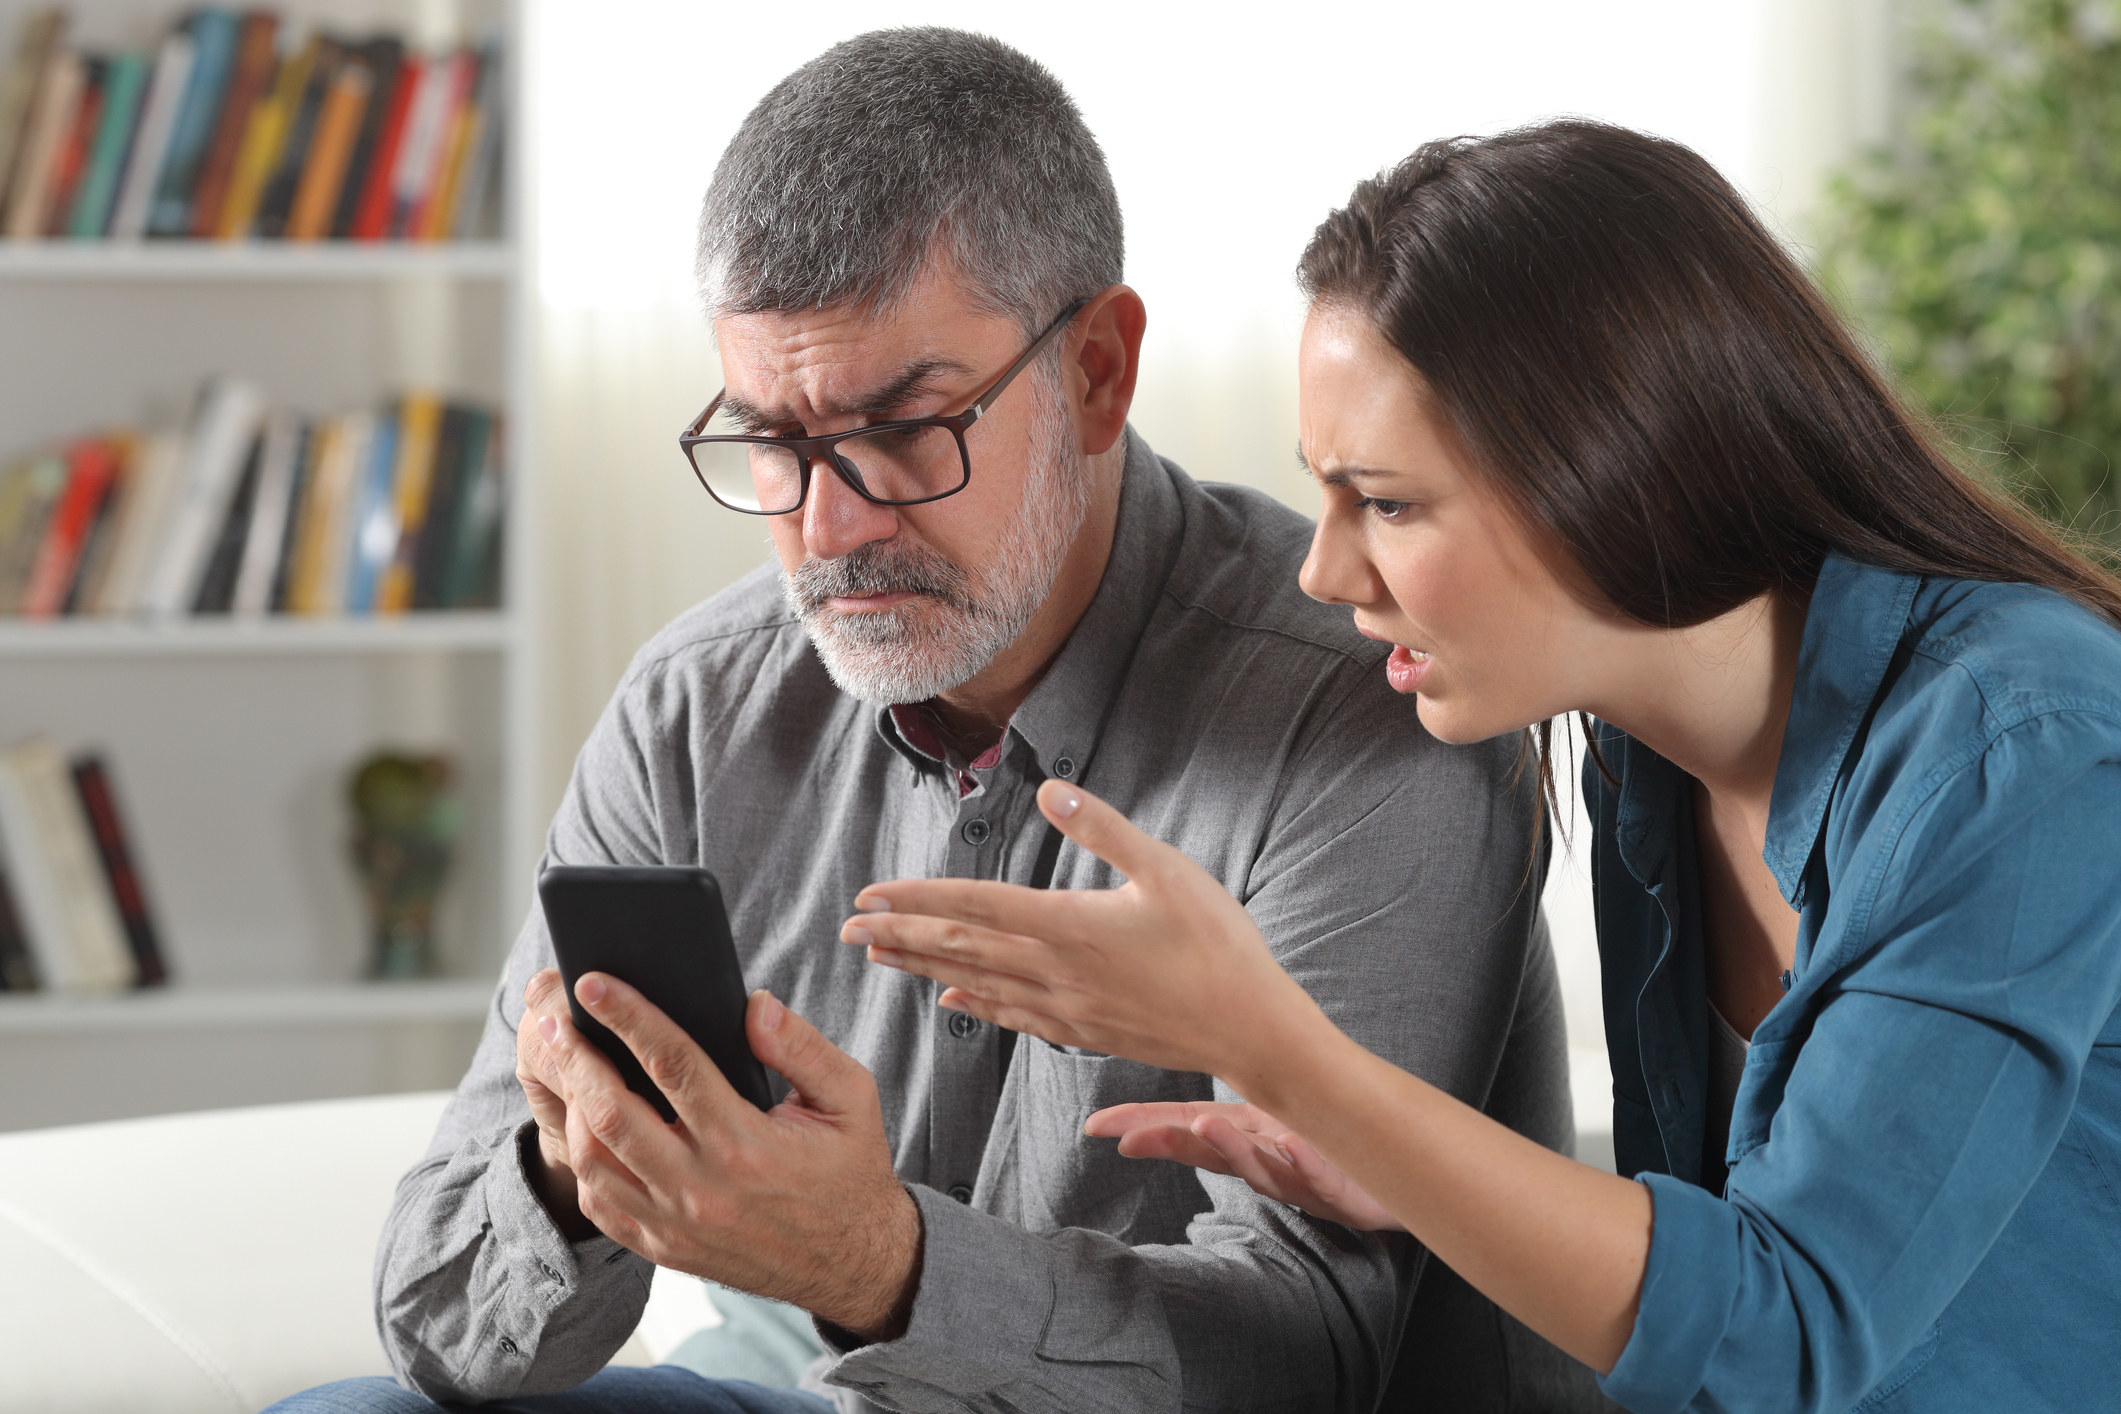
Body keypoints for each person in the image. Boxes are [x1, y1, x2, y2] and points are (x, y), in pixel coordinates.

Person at [271, 31, 1613, 1414]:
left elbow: (1306, 1363)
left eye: (909, 426)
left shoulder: (1360, 704)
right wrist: (575, 1170)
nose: (828, 529)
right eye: (773, 442)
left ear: (1097, 369)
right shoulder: (697, 707)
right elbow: (434, 1320)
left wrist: (882, 1264)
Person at [848, 121, 2121, 1414]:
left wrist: (1268, 1043)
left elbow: (1780, 1327)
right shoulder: (1641, 747)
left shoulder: (2020, 745)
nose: (1323, 572)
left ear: (1629, 470)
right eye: (1326, 494)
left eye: (1387, 504)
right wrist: (1390, 1166)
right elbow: (1696, 1254)